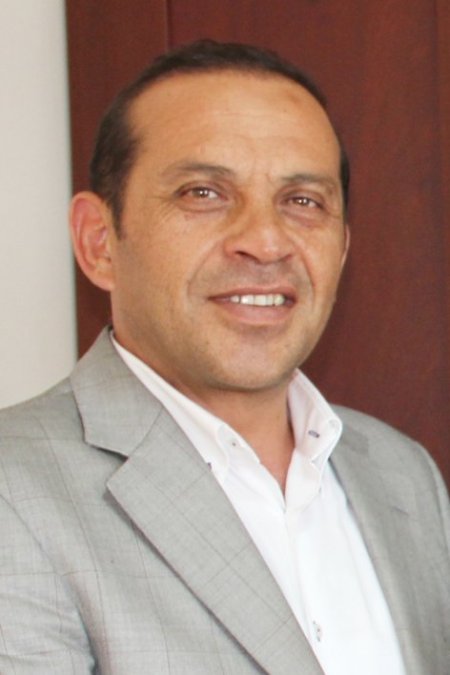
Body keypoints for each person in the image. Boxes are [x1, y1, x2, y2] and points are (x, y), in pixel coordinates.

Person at [0, 40, 448, 675]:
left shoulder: (405, 476)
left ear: (342, 248)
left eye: (303, 201)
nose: (265, 241)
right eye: (203, 193)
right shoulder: (15, 491)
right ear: (100, 242)